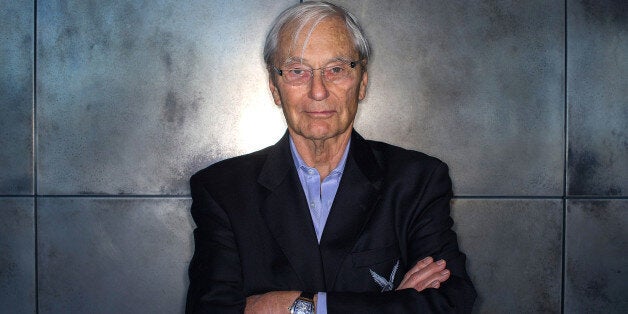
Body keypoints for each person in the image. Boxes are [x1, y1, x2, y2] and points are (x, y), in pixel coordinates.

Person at [186, 1, 475, 313]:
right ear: (274, 87)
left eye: (336, 70)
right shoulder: (222, 190)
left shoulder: (417, 181)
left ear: (362, 82)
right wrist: (391, 305)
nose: (318, 91)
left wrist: (301, 306)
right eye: (298, 71)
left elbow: (449, 304)